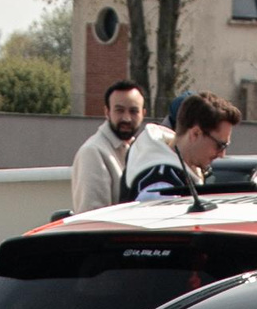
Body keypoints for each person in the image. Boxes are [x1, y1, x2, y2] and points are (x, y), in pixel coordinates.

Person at [125, 92, 240, 204]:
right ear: (196, 133)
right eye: (220, 145)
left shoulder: (177, 173)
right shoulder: (162, 185)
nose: (222, 154)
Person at [71, 81, 146, 212]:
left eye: (134, 111)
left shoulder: (141, 150)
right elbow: (93, 218)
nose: (127, 118)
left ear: (143, 114)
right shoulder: (93, 152)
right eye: (119, 110)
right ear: (107, 112)